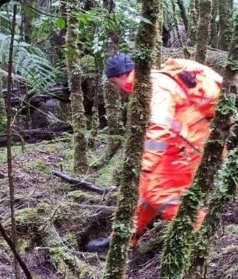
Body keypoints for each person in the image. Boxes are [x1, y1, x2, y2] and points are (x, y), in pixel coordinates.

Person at [86, 53, 223, 252]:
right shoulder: (151, 83)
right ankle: (122, 240)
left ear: (121, 77)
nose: (119, 89)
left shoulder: (155, 86)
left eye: (115, 83)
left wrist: (148, 164)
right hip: (179, 145)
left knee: (161, 195)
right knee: (144, 193)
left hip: (186, 148)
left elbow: (160, 127)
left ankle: (204, 238)